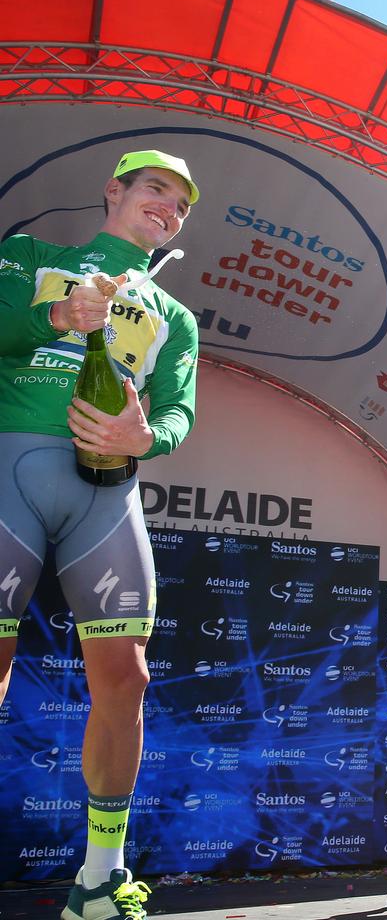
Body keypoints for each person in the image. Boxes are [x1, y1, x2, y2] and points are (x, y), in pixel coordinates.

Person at [0, 150, 200, 920]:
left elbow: (179, 410)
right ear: (114, 191)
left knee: (128, 679)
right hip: (12, 469)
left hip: (105, 493)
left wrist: (145, 438)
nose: (168, 208)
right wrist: (56, 316)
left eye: (180, 204)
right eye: (156, 189)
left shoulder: (174, 317)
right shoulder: (32, 257)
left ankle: (98, 879)